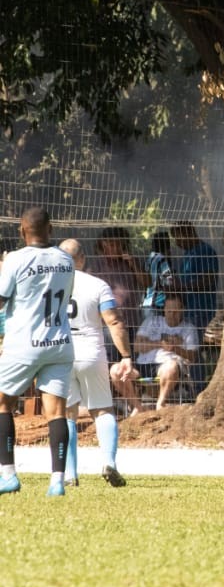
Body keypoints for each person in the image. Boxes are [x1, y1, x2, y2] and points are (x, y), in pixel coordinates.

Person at [0, 207, 76, 497]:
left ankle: (8, 474)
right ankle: (57, 481)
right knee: (56, 411)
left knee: (3, 403)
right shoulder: (66, 260)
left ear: (21, 231)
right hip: (59, 343)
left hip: (25, 344)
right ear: (51, 229)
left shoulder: (16, 260)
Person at [59, 239, 134, 488]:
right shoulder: (98, 285)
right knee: (102, 410)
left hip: (60, 354)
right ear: (82, 258)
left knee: (66, 414)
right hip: (91, 353)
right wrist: (125, 357)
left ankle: (69, 474)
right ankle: (109, 463)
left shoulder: (50, 285)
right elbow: (113, 322)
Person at [124, 295, 200, 410]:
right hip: (142, 365)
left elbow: (193, 357)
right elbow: (137, 346)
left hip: (167, 366)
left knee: (171, 366)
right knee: (117, 371)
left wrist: (175, 349)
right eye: (169, 311)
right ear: (164, 309)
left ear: (182, 310)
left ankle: (160, 403)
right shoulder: (151, 321)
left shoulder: (189, 329)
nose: (172, 315)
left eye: (175, 312)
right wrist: (160, 344)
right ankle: (137, 407)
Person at [170, 222, 220, 332]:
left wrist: (183, 286)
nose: (177, 243)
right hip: (188, 309)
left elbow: (208, 279)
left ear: (188, 233)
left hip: (201, 310)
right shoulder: (187, 254)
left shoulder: (205, 251)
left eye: (178, 238)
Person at [140, 230, 175, 321]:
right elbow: (169, 283)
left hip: (146, 303)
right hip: (158, 304)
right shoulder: (162, 260)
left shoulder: (148, 259)